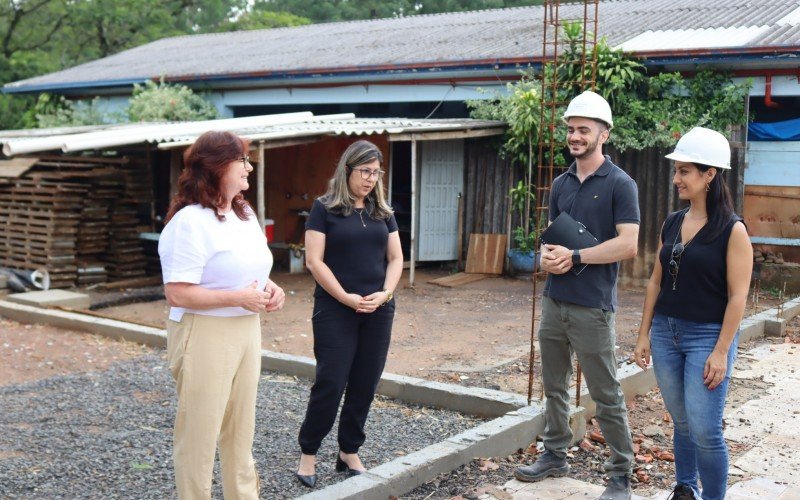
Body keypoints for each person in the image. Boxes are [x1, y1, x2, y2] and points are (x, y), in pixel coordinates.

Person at [514, 90, 640, 500]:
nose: (575, 136)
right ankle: (554, 453)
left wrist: (578, 254)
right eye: (571, 129)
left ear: (604, 134)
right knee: (554, 384)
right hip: (555, 300)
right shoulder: (561, 184)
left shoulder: (622, 184)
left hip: (592, 306)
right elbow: (552, 240)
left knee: (605, 393)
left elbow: (629, 245)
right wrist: (546, 257)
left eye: (584, 129)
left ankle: (620, 473)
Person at [158, 130, 285, 499]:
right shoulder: (189, 222)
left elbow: (247, 267)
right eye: (242, 160)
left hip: (246, 327)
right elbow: (177, 291)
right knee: (200, 435)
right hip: (205, 331)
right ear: (215, 167)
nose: (249, 166)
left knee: (240, 430)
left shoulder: (243, 214)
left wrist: (269, 287)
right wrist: (238, 297)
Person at [633, 127, 752, 500]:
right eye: (676, 170)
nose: (676, 178)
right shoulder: (672, 222)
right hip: (666, 334)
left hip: (707, 336)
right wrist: (643, 334)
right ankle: (685, 488)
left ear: (710, 174)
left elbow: (738, 297)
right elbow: (654, 281)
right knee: (682, 422)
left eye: (685, 171)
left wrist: (721, 351)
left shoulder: (733, 230)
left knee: (705, 429)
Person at [294, 140, 403, 488]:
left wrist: (385, 294)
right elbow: (314, 261)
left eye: (376, 172)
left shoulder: (382, 211)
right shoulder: (323, 209)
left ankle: (348, 450)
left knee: (365, 383)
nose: (371, 179)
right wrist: (345, 297)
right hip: (335, 309)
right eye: (365, 171)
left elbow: (396, 259)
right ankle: (308, 452)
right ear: (347, 170)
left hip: (377, 309)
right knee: (331, 381)